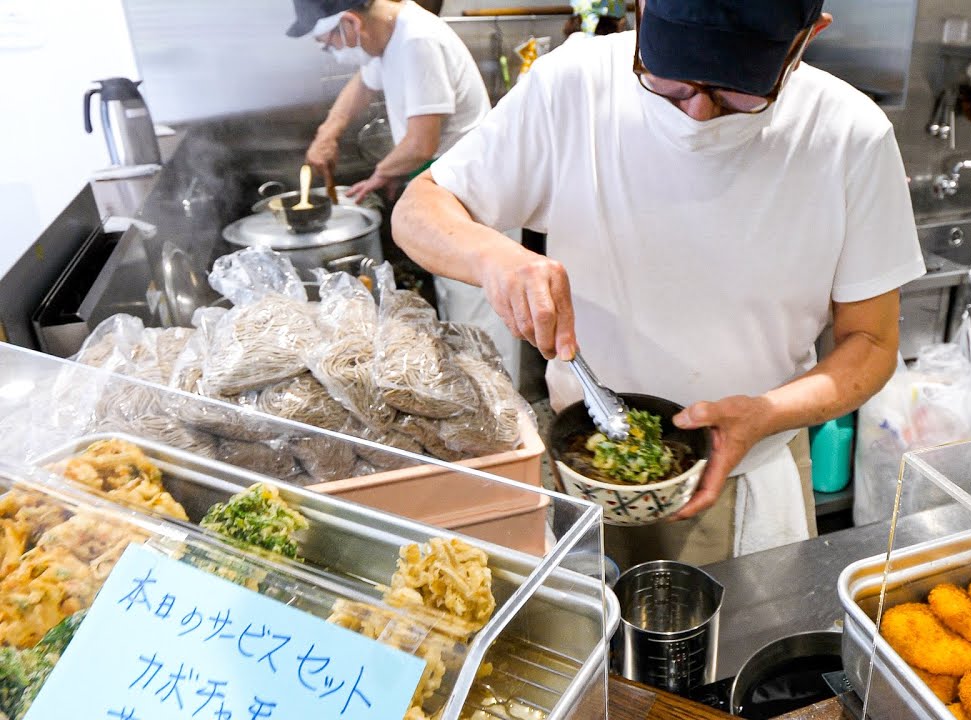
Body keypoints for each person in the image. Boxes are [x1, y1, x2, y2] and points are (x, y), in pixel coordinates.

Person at [391, 0, 925, 566]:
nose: (697, 113)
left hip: (742, 483)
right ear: (641, 10)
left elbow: (871, 344)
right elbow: (419, 209)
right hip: (580, 477)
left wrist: (767, 413)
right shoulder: (573, 85)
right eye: (670, 84)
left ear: (807, 37)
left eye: (738, 94)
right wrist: (493, 255)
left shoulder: (850, 135)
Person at [286, 0, 490, 203]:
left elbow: (421, 145)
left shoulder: (418, 40)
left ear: (351, 23)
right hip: (435, 169)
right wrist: (327, 134)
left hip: (462, 179)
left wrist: (383, 173)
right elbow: (363, 85)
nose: (335, 53)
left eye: (329, 45)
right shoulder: (387, 32)